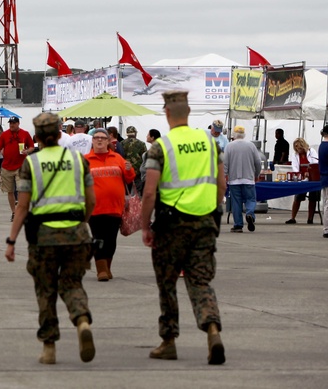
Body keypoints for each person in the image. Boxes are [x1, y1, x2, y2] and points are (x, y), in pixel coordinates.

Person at [140, 91, 226, 365]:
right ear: (189, 113)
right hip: (204, 222)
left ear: (167, 114)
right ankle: (212, 329)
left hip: (172, 225)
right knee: (200, 281)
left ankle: (168, 341)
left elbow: (150, 193)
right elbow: (221, 184)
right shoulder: (210, 142)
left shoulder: (160, 147)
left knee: (167, 283)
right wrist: (213, 213)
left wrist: (145, 226)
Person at [5, 112, 95, 365]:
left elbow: (22, 207)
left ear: (37, 137)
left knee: (46, 291)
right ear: (58, 134)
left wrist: (11, 241)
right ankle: (82, 321)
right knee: (73, 284)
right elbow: (91, 200)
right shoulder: (78, 160)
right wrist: (82, 222)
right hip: (76, 233)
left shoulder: (30, 164)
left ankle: (49, 347)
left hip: (43, 237)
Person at [84, 127, 133, 281]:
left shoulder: (117, 158)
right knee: (98, 238)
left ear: (108, 141)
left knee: (111, 240)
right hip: (94, 208)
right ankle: (101, 270)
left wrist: (130, 170)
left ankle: (106, 267)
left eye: (102, 138)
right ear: (92, 141)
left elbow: (129, 179)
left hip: (115, 207)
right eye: (96, 137)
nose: (99, 140)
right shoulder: (85, 160)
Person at [223, 126, 263, 233]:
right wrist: (257, 174)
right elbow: (258, 162)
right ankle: (250, 213)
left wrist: (224, 175)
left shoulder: (229, 146)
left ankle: (238, 225)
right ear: (244, 135)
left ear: (234, 136)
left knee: (236, 202)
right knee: (250, 199)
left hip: (234, 179)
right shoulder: (251, 146)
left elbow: (225, 163)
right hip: (249, 178)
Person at [0, 117, 34, 220]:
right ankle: (14, 212)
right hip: (7, 166)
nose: (11, 125)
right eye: (10, 123)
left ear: (18, 123)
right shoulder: (4, 135)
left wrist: (27, 151)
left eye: (14, 123)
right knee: (10, 191)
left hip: (21, 166)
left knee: (21, 190)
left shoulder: (25, 134)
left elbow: (32, 147)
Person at [286, 137, 319, 224]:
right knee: (297, 197)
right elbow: (295, 166)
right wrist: (298, 174)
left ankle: (310, 218)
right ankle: (293, 218)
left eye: (299, 147)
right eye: (296, 147)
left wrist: (310, 171)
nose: (298, 149)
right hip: (301, 178)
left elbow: (315, 163)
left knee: (313, 198)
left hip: (313, 178)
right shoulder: (295, 155)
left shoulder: (311, 152)